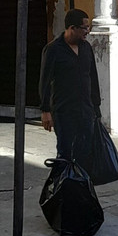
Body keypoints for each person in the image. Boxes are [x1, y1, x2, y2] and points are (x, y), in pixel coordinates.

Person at [39, 9, 101, 170]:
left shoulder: (87, 48)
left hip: (86, 111)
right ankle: (62, 188)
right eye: (84, 27)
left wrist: (96, 107)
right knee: (65, 154)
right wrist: (45, 111)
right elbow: (45, 81)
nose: (87, 31)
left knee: (85, 153)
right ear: (72, 28)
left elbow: (92, 78)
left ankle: (81, 189)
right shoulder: (53, 49)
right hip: (64, 111)